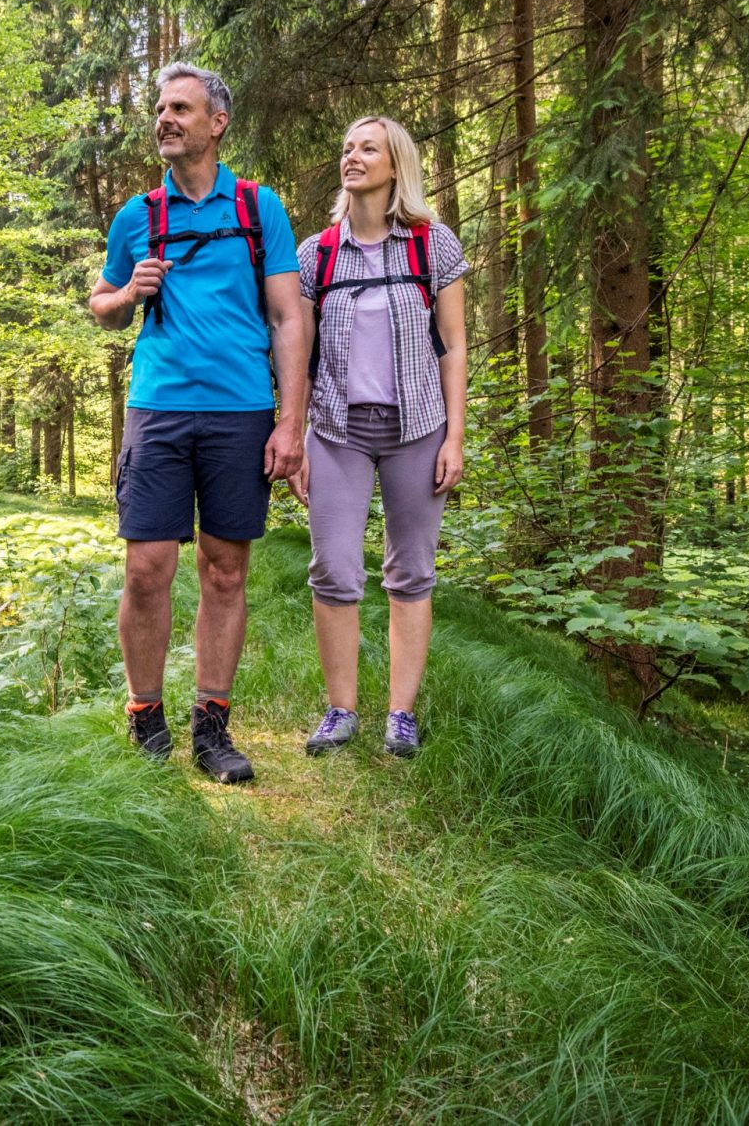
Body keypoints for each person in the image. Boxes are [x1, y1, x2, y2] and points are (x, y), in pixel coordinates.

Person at [88, 63, 311, 783]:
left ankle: (212, 727)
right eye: (160, 108)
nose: (165, 118)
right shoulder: (138, 215)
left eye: (180, 108)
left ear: (217, 123)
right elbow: (101, 305)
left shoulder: (258, 207)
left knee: (225, 569)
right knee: (146, 569)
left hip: (241, 409)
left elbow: (288, 317)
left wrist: (291, 421)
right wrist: (128, 291)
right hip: (157, 407)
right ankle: (144, 716)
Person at [291, 116, 467, 758]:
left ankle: (401, 715)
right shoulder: (316, 254)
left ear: (397, 165)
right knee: (333, 570)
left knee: (410, 573)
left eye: (368, 148)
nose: (353, 157)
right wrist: (294, 436)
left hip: (417, 429)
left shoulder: (431, 244)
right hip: (336, 431)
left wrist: (455, 436)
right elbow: (297, 354)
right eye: (347, 148)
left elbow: (454, 346)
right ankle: (340, 711)